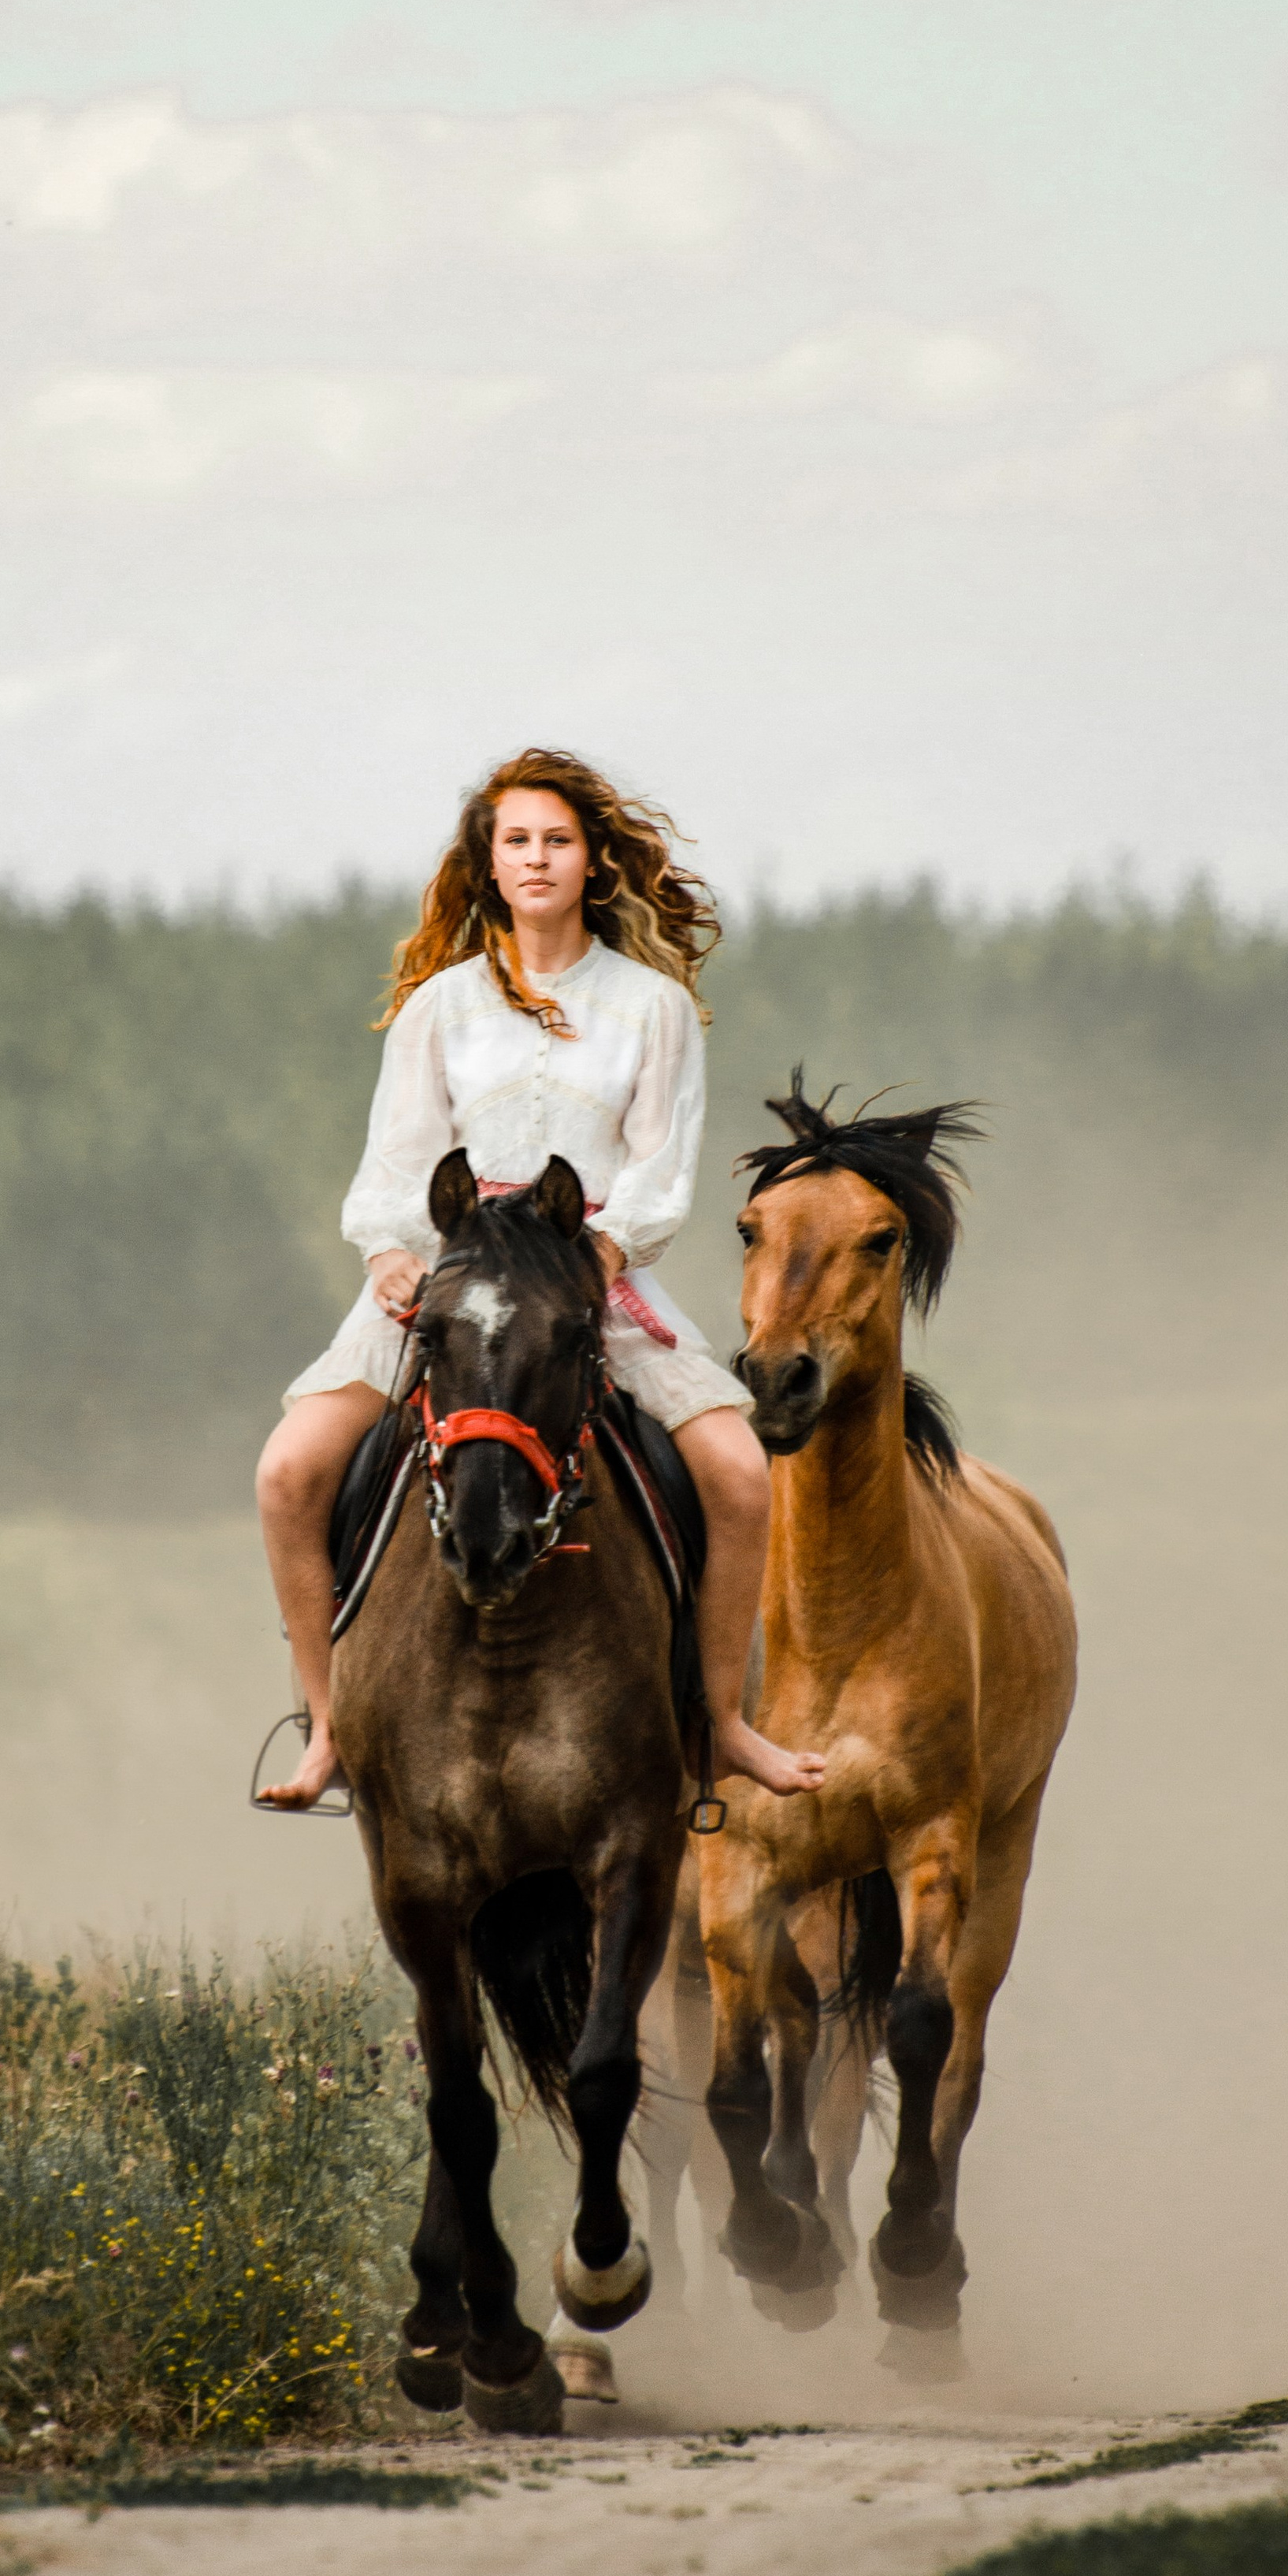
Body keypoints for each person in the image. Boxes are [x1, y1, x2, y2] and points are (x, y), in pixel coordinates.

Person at [254, 749, 828, 1812]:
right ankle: (331, 1727)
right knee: (289, 1472)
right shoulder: (439, 1007)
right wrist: (390, 1254)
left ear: (593, 860)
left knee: (740, 1474)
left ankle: (723, 1722)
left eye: (556, 839)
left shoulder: (652, 1008)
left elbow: (660, 1168)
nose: (536, 858)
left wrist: (597, 1257)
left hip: (586, 1277)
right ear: (489, 859)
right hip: (452, 1277)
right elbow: (396, 1160)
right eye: (516, 839)